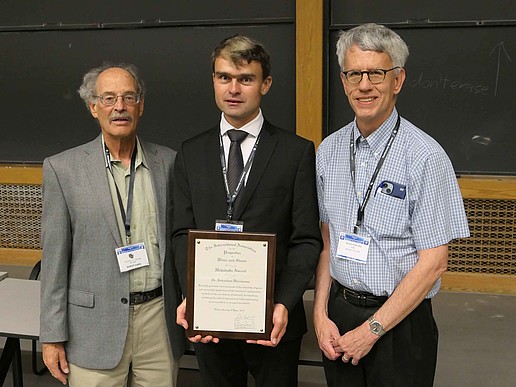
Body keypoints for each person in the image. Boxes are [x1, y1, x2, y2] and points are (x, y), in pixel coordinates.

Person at [314, 23, 470, 386]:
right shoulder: (328, 151)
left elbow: (434, 263)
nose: (364, 85)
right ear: (343, 80)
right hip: (339, 318)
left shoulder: (426, 157)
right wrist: (320, 315)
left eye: (376, 73)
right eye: (354, 74)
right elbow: (327, 243)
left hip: (400, 326)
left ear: (397, 80)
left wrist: (372, 330)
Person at [172, 34, 322, 387]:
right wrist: (191, 295)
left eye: (246, 79)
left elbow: (306, 240)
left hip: (273, 321)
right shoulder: (191, 153)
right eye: (224, 77)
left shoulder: (295, 152)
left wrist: (284, 302)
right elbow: (181, 231)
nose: (233, 88)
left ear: (265, 84)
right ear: (213, 81)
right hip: (211, 316)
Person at [40, 63, 185, 386]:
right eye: (108, 98)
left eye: (128, 97)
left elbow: (182, 242)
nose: (119, 107)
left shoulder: (170, 163)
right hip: (92, 327)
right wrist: (51, 336)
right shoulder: (63, 170)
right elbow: (53, 263)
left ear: (141, 105)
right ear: (93, 107)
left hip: (158, 321)